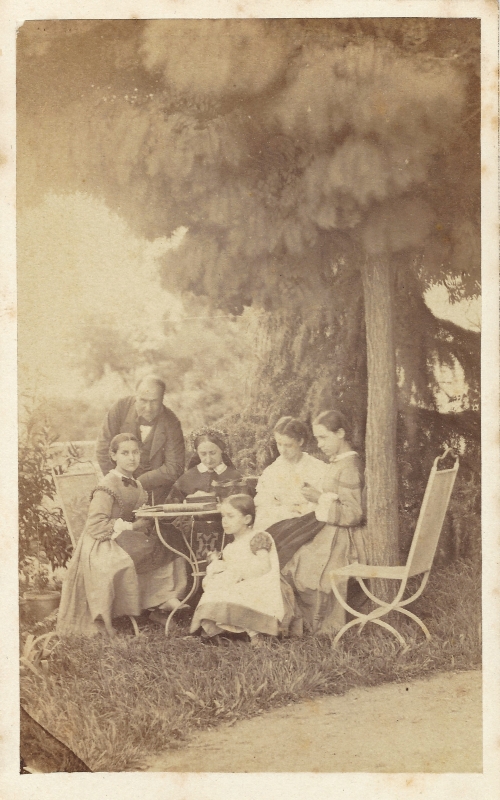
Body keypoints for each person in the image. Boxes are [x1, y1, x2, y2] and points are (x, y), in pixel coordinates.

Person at [56, 434, 187, 637]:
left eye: (135, 452)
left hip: (125, 536)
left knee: (169, 542)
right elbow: (96, 525)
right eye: (125, 453)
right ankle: (155, 601)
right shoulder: (107, 485)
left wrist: (143, 518)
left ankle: (163, 600)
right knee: (130, 558)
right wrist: (134, 527)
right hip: (102, 542)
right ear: (113, 455)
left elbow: (133, 512)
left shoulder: (136, 483)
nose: (132, 458)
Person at [280, 410, 367, 636]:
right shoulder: (339, 462)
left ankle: (319, 627)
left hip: (343, 538)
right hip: (331, 531)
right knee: (291, 559)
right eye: (317, 438)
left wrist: (319, 498)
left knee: (304, 571)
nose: (319, 444)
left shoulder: (349, 466)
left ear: (341, 433)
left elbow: (354, 514)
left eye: (324, 437)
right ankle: (305, 624)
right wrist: (319, 495)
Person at [190, 494, 284, 646]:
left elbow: (264, 566)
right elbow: (230, 567)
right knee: (215, 591)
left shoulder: (258, 537)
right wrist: (217, 566)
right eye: (222, 516)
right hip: (241, 583)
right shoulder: (230, 547)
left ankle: (256, 633)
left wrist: (237, 575)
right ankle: (224, 633)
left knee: (229, 592)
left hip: (261, 587)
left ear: (247, 519)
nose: (224, 521)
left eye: (230, 516)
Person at [96, 376, 185, 504]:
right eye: (143, 400)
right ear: (135, 396)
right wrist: (119, 481)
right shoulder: (120, 409)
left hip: (155, 492)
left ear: (162, 399)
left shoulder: (172, 422)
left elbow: (174, 467)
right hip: (119, 488)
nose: (148, 408)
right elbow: (103, 449)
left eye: (154, 401)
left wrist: (138, 483)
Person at [253, 416, 327, 531]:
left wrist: (302, 508)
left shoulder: (318, 468)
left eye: (288, 445)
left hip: (309, 523)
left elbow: (323, 500)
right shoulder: (272, 471)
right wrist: (285, 510)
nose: (282, 450)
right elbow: (263, 504)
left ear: (300, 441)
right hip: (278, 522)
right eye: (279, 444)